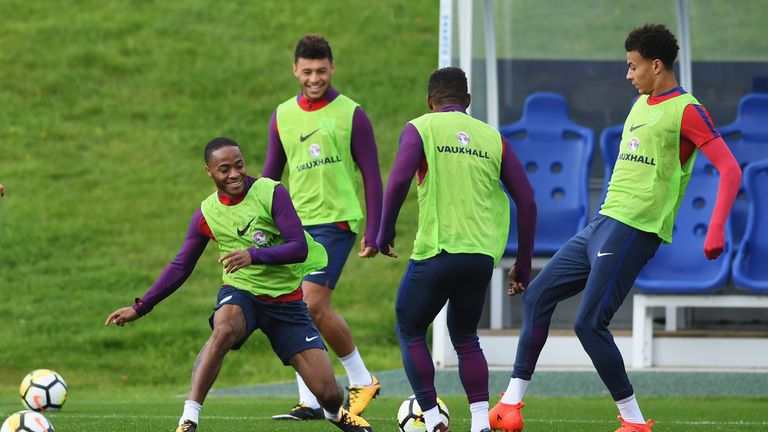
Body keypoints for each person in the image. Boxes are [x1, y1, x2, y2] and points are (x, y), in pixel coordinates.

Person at [489, 24, 742, 432]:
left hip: (635, 229)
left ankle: (635, 423)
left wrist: (716, 231)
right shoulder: (641, 103)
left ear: (656, 65)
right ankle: (510, 405)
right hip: (602, 223)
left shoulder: (687, 110)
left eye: (633, 66)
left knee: (589, 323)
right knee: (537, 296)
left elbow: (730, 169)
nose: (628, 74)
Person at [105, 137, 373, 432]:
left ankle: (336, 415)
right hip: (241, 292)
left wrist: (253, 255)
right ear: (209, 171)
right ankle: (188, 419)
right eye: (224, 169)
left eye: (239, 165)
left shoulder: (271, 193)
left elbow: (299, 248)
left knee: (329, 393)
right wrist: (140, 307)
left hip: (286, 301)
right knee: (224, 329)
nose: (234, 174)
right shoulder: (207, 213)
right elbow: (181, 265)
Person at [377, 67, 537, 432]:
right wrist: (522, 264)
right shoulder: (492, 137)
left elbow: (400, 178)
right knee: (465, 336)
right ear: (467, 102)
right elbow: (527, 201)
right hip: (479, 257)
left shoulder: (421, 127)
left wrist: (383, 232)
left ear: (430, 102)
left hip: (438, 250)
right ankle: (480, 423)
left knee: (410, 328)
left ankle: (431, 419)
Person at [263, 34, 384, 420]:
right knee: (293, 307)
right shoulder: (282, 114)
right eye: (307, 71)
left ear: (332, 68)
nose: (314, 77)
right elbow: (269, 176)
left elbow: (371, 176)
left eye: (321, 70)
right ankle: (312, 400)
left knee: (312, 303)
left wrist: (376, 229)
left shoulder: (352, 113)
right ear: (295, 71)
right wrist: (260, 223)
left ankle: (361, 379)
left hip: (335, 220)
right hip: (294, 226)